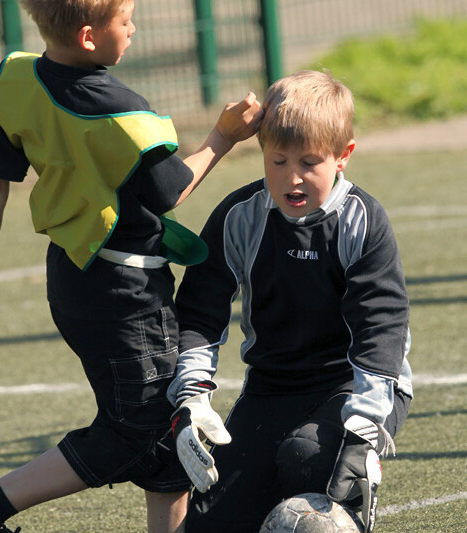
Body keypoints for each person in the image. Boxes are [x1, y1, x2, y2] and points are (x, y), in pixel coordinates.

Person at [0, 1, 263, 532]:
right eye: (125, 20)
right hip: (125, 293)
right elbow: (172, 190)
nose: (133, 28)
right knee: (145, 430)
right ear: (89, 37)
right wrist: (223, 136)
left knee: (167, 447)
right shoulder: (122, 112)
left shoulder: (11, 79)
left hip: (71, 277)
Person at [167, 70, 413, 533]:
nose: (292, 177)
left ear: (343, 156)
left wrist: (365, 426)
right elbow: (200, 310)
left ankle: (355, 498)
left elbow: (382, 326)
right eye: (277, 160)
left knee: (307, 458)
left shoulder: (362, 220)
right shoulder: (239, 216)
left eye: (309, 162)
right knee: (212, 524)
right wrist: (192, 397)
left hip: (352, 384)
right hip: (273, 385)